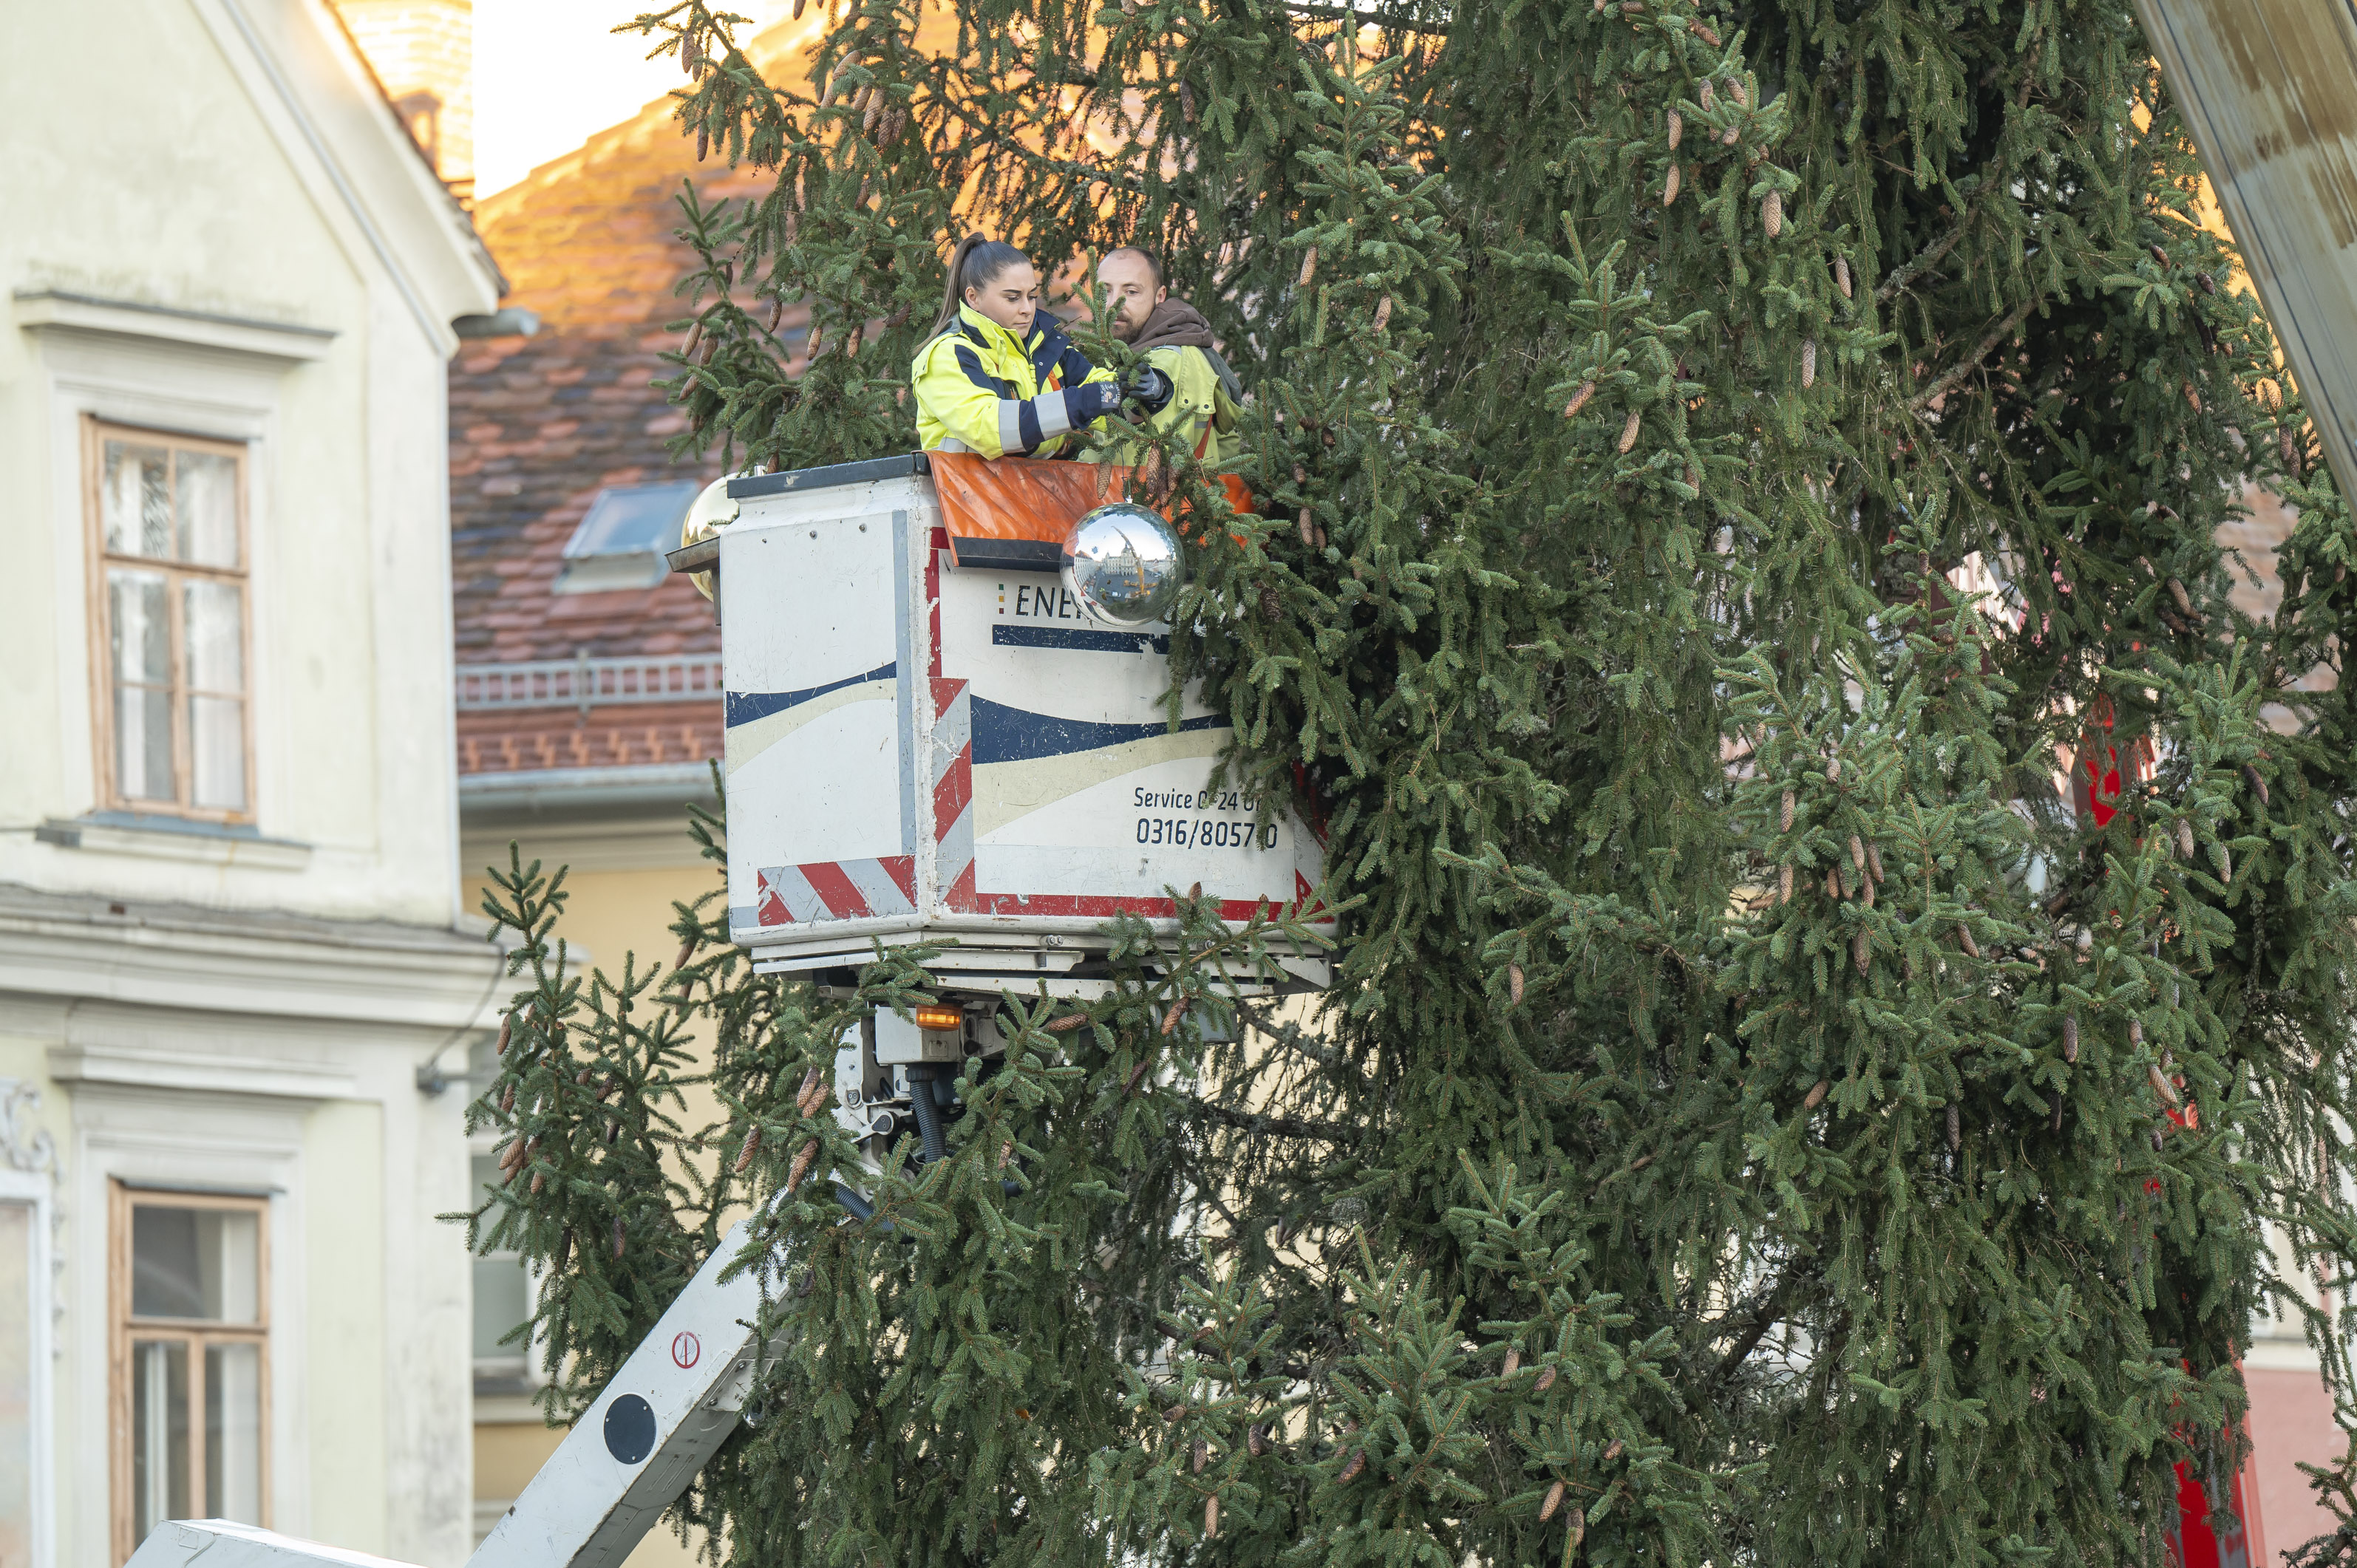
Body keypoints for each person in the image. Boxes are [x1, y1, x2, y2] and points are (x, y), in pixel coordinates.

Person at [911, 235, 1126, 460]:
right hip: (961, 492)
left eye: (1031, 296)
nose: (1027, 309)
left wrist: (1145, 391)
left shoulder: (1048, 345)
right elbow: (991, 430)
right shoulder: (947, 355)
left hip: (1035, 491)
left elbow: (1101, 391)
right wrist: (1080, 403)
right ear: (973, 298)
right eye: (1013, 298)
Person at [1089, 245, 1243, 465]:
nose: (1114, 304)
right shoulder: (1136, 346)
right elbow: (1226, 443)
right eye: (1105, 291)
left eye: (1131, 292)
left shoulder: (1165, 359)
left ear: (1159, 295)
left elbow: (1123, 460)